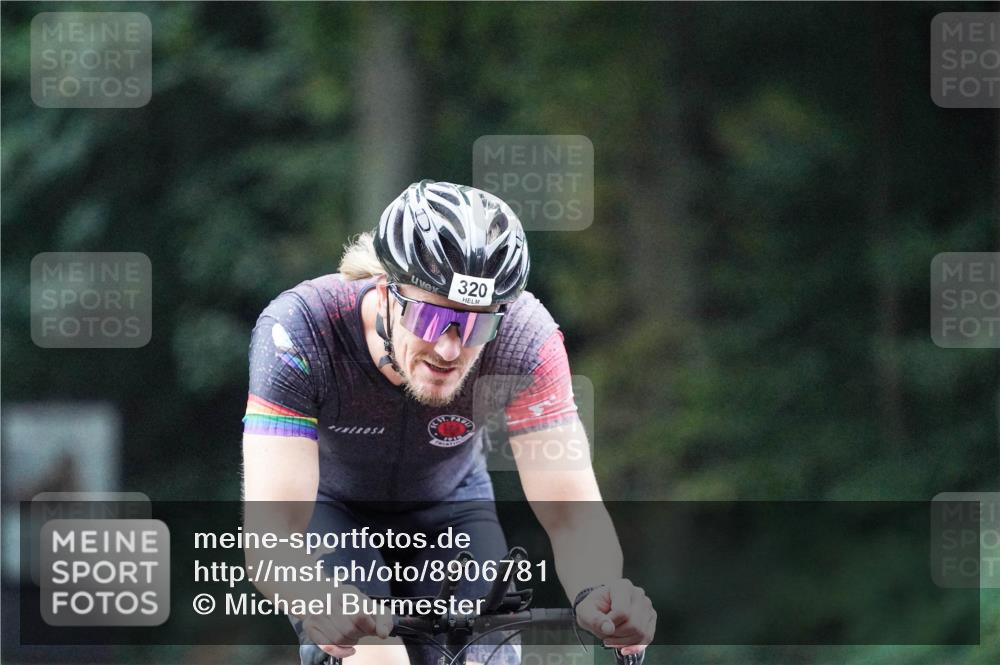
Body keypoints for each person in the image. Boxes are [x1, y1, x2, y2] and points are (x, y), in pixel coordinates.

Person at [241, 180, 655, 664]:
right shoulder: (301, 331)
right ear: (385, 290)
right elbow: (272, 533)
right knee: (376, 657)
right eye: (433, 319)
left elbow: (569, 511)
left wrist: (600, 593)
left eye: (478, 324)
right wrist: (315, 597)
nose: (450, 349)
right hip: (333, 515)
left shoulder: (525, 340)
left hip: (452, 512)